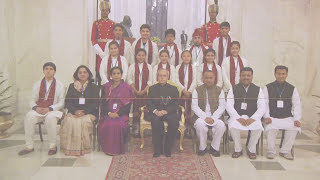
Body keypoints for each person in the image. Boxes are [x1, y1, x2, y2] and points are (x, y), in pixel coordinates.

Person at [18, 62, 65, 156]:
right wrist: (36, 108)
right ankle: (29, 146)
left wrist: (50, 108)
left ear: (54, 72)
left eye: (51, 69)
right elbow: (32, 100)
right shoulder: (37, 84)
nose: (48, 71)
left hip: (53, 110)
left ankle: (53, 146)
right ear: (43, 71)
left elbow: (61, 102)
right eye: (46, 69)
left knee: (50, 118)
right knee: (29, 116)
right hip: (39, 110)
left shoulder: (60, 85)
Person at [263, 65, 301, 160]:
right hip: (272, 117)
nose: (281, 76)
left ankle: (285, 151)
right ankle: (271, 151)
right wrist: (266, 116)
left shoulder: (292, 88)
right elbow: (265, 104)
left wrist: (297, 119)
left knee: (294, 127)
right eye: (279, 74)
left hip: (286, 117)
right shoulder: (267, 87)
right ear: (275, 74)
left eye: (283, 74)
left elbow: (297, 104)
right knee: (270, 127)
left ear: (286, 75)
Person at [226, 67, 265, 159]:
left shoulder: (258, 89)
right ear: (240, 76)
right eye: (243, 75)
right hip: (237, 116)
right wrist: (237, 117)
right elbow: (229, 105)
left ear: (252, 77)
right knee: (233, 126)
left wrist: (253, 119)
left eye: (248, 75)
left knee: (258, 127)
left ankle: (251, 149)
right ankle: (238, 149)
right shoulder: (233, 88)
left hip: (252, 116)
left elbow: (262, 106)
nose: (246, 77)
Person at [60, 65, 99, 156]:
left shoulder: (94, 87)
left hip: (89, 113)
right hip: (74, 112)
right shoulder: (72, 86)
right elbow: (68, 101)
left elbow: (95, 103)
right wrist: (75, 111)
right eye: (80, 72)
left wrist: (84, 112)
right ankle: (70, 148)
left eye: (85, 72)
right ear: (77, 74)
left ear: (88, 74)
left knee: (83, 122)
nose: (82, 74)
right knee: (69, 121)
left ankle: (84, 148)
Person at [99, 67, 133, 155]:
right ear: (111, 75)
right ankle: (108, 149)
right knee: (108, 124)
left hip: (121, 115)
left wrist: (118, 114)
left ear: (121, 75)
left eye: (118, 73)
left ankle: (117, 150)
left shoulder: (126, 87)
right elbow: (103, 103)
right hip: (108, 114)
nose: (116, 75)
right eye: (114, 73)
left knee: (117, 124)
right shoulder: (106, 87)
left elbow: (128, 105)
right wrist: (109, 113)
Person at [146, 68, 180, 157]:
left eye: (164, 76)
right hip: (156, 112)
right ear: (157, 77)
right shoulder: (152, 88)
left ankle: (167, 148)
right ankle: (157, 149)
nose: (162, 78)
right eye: (160, 76)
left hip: (169, 112)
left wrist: (166, 111)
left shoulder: (174, 89)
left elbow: (176, 104)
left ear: (167, 77)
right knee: (156, 122)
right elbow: (149, 103)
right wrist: (155, 111)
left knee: (174, 123)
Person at [192, 71, 226, 156]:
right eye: (206, 78)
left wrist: (213, 118)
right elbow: (194, 106)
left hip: (216, 116)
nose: (208, 80)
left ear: (214, 79)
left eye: (211, 78)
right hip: (201, 116)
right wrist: (205, 117)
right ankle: (202, 148)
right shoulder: (197, 90)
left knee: (221, 126)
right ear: (203, 79)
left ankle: (214, 147)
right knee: (200, 124)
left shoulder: (219, 90)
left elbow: (222, 106)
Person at [127, 48, 152, 137]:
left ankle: (145, 128)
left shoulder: (149, 66)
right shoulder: (132, 66)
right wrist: (135, 90)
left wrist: (144, 91)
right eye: (139, 55)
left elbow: (150, 80)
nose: (141, 57)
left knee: (145, 109)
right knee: (135, 109)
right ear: (136, 56)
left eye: (143, 55)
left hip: (145, 93)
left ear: (145, 56)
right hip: (135, 92)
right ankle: (136, 128)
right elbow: (129, 79)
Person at [175, 50, 197, 137]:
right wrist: (183, 90)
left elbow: (195, 80)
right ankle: (179, 129)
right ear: (181, 58)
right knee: (179, 110)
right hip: (181, 92)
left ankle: (188, 129)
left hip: (190, 92)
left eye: (188, 56)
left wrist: (190, 91)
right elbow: (175, 80)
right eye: (184, 56)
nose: (186, 58)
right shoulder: (177, 68)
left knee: (190, 110)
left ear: (191, 58)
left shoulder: (194, 68)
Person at [91, 0, 115, 74]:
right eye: (103, 10)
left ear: (109, 11)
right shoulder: (96, 23)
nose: (104, 12)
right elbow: (93, 39)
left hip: (110, 48)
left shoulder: (113, 23)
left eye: (106, 10)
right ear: (100, 11)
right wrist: (100, 52)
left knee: (110, 69)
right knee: (99, 69)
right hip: (99, 48)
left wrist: (110, 49)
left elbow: (114, 38)